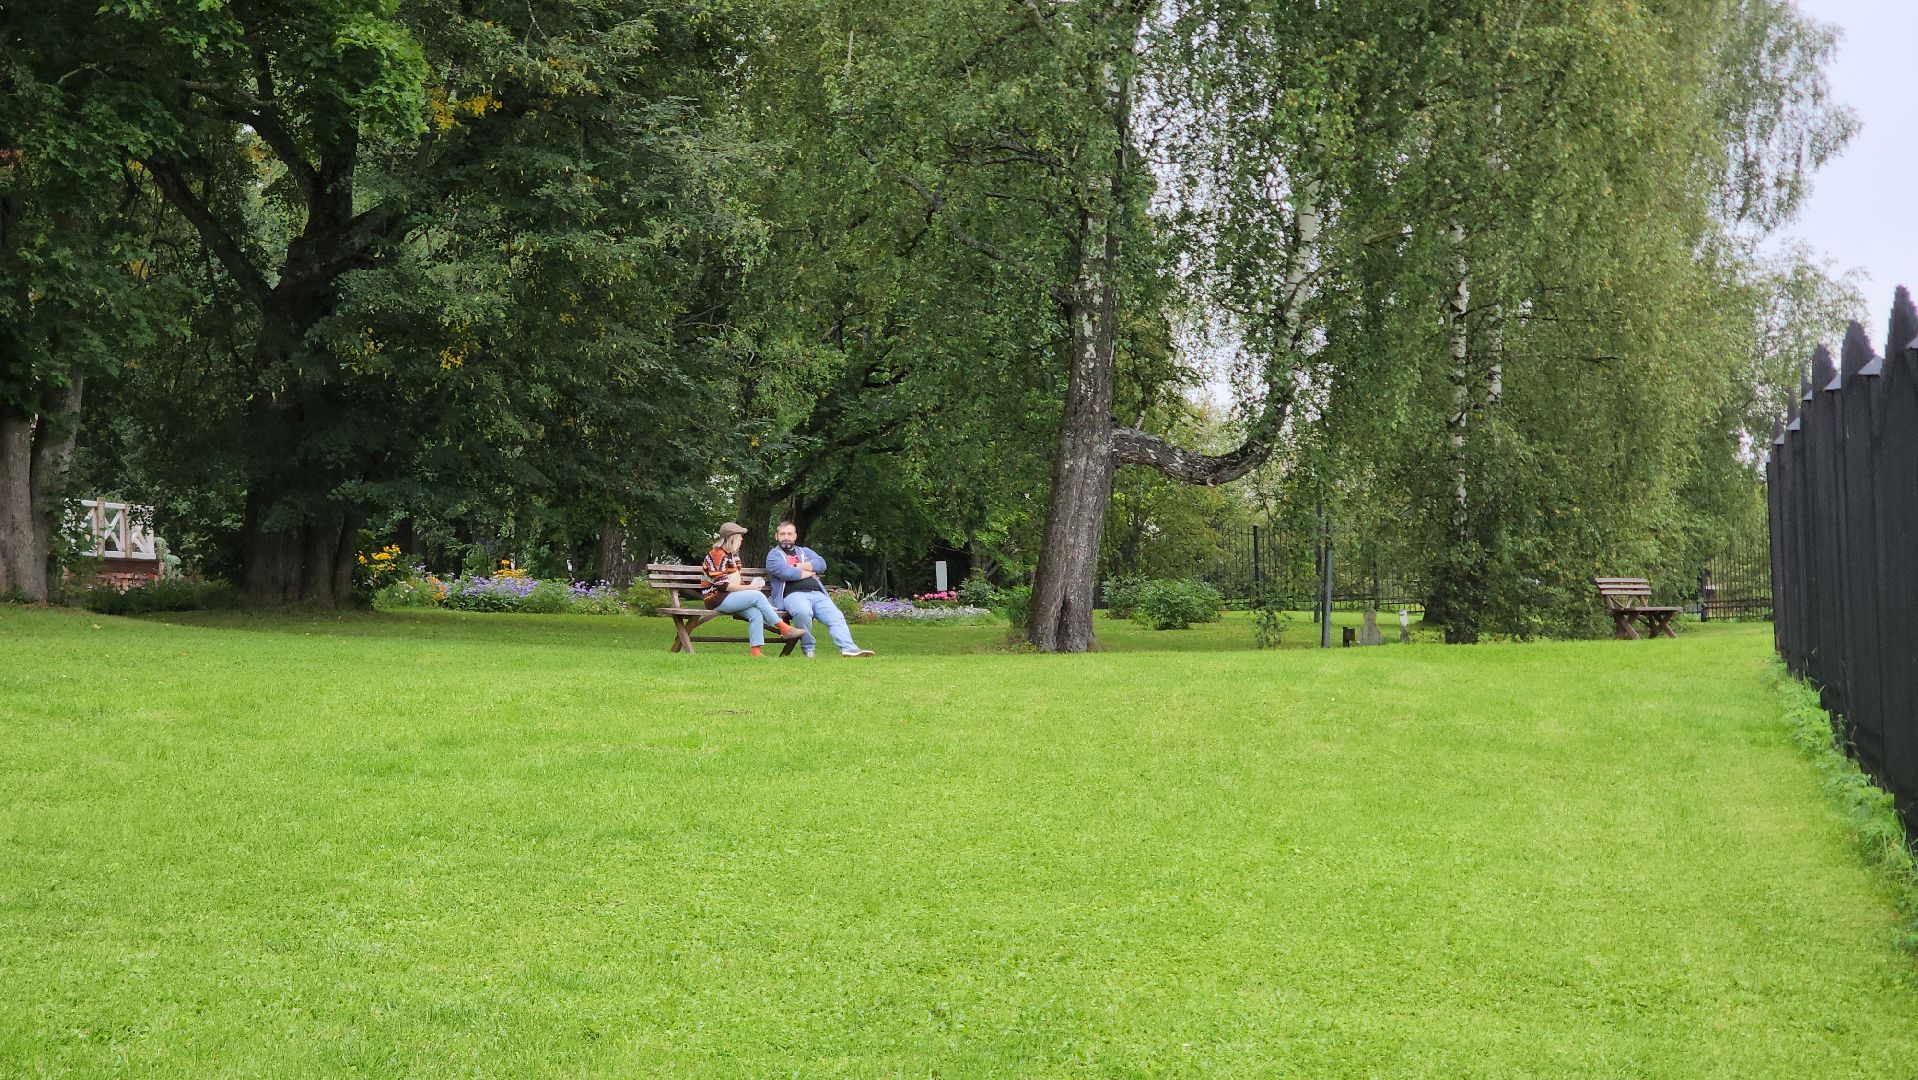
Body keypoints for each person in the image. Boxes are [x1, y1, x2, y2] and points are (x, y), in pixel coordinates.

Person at [764, 520, 875, 658]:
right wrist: (810, 571)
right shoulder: (774, 555)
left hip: (817, 594)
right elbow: (787, 573)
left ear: (795, 536)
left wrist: (796, 566)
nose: (786, 537)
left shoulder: (805, 551)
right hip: (793, 595)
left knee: (836, 616)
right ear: (776, 536)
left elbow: (821, 564)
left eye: (789, 534)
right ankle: (808, 649)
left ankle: (849, 648)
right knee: (803, 612)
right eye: (782, 534)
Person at [702, 522, 805, 657]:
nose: (742, 539)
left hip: (731, 597)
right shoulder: (717, 555)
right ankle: (784, 628)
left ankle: (755, 652)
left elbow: (737, 582)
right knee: (756, 596)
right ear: (732, 538)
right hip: (715, 598)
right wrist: (751, 588)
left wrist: (765, 605)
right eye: (740, 536)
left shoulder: (733, 556)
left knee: (756, 613)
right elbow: (722, 585)